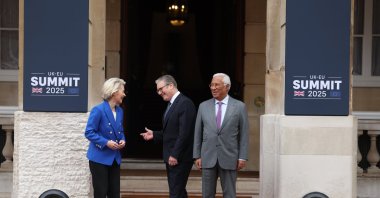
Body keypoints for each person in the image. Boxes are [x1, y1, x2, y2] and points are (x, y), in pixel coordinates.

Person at [193, 73, 249, 198]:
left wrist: (242, 157)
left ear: (227, 87)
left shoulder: (239, 107)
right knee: (207, 194)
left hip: (230, 157)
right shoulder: (203, 106)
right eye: (211, 85)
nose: (213, 88)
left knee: (229, 194)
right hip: (207, 156)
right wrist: (197, 155)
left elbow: (244, 133)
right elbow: (198, 132)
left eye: (217, 84)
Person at [140, 75, 196, 198]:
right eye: (158, 90)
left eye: (161, 89)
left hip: (179, 158)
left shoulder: (185, 103)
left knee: (175, 192)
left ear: (171, 85)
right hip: (173, 157)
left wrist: (175, 154)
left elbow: (185, 133)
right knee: (178, 192)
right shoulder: (172, 103)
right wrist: (154, 134)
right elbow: (172, 132)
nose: (159, 93)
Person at [85, 77, 127, 198]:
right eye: (122, 91)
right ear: (114, 92)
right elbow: (89, 132)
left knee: (115, 194)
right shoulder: (98, 110)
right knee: (101, 193)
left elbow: (120, 131)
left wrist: (123, 139)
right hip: (99, 158)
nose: (124, 94)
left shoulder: (120, 111)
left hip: (114, 158)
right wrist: (106, 142)